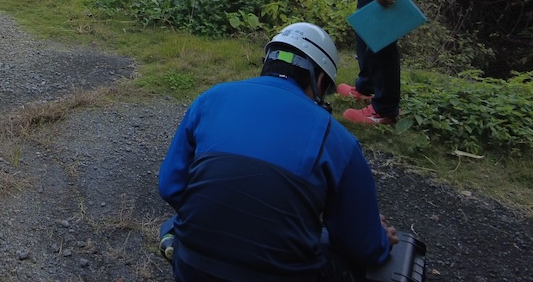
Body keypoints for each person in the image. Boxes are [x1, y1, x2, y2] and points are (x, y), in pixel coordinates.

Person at [158, 23, 397, 280]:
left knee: (174, 224)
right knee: (342, 250)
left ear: (268, 62)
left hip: (191, 268)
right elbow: (364, 247)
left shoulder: (210, 99)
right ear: (319, 80)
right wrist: (379, 238)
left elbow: (170, 186)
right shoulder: (338, 139)